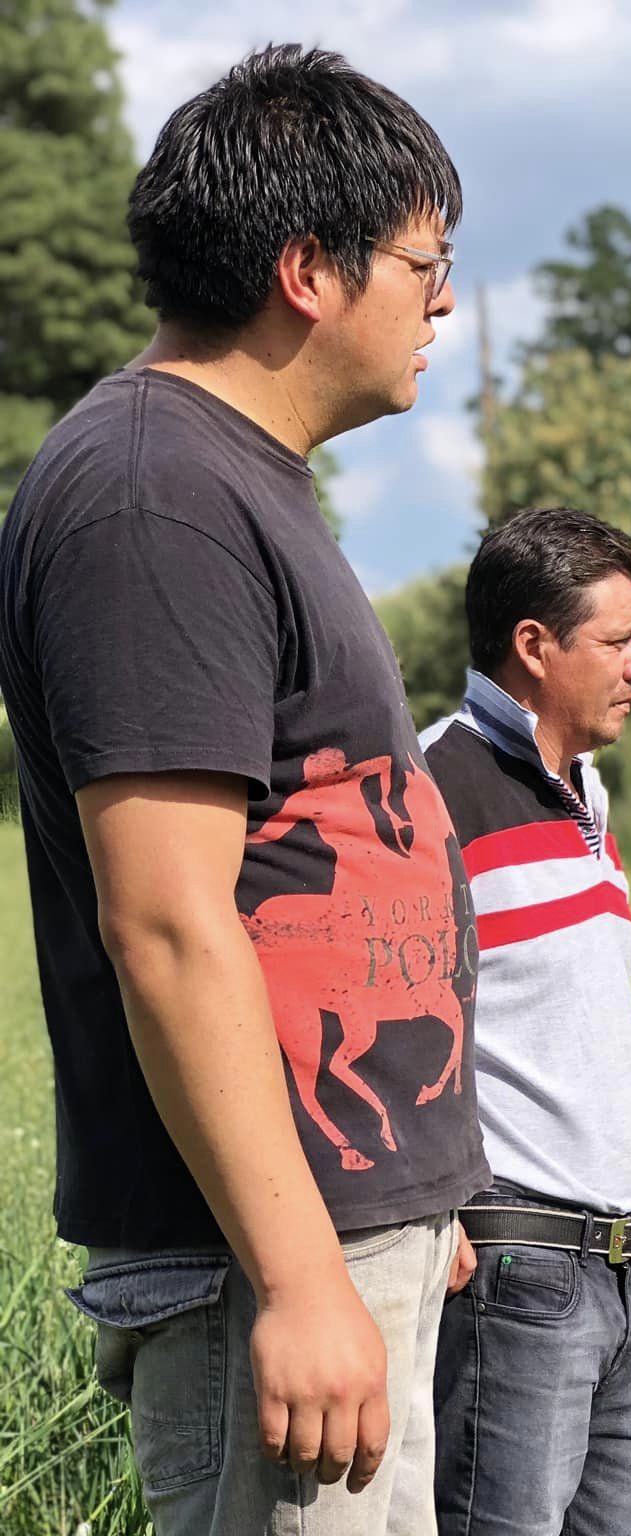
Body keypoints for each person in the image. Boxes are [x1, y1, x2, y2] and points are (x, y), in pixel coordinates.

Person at [0, 42, 480, 1534]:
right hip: (251, 1269)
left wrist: (412, 1192)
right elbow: (166, 920)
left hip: (341, 1231)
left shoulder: (239, 480)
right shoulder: (153, 495)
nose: (445, 302)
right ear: (307, 270)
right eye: (426, 259)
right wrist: (297, 1273)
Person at [420, 507, 631, 1531]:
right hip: (512, 1267)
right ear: (534, 646)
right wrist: (432, 1210)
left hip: (617, 1270)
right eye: (617, 642)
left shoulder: (581, 797)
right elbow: (379, 1019)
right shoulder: (432, 785)